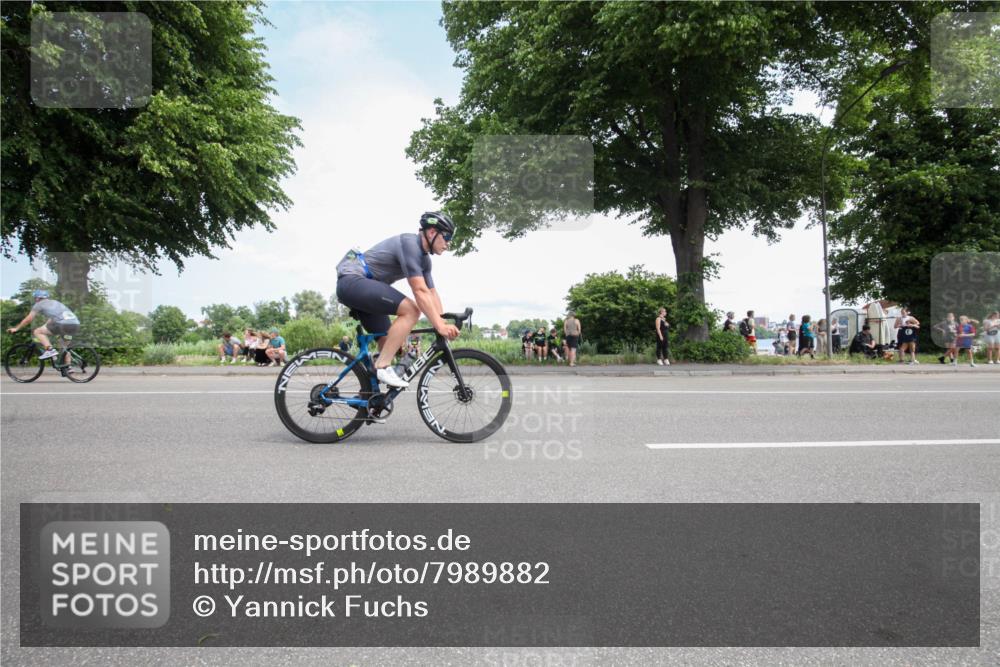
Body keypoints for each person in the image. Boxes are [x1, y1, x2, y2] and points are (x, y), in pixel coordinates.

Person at [334, 211, 459, 388]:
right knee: (412, 310)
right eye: (446, 237)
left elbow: (431, 293)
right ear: (432, 233)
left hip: (365, 291)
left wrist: (442, 322)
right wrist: (439, 325)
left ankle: (371, 399)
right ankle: (382, 366)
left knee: (394, 345)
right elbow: (420, 291)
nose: (448, 243)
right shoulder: (410, 244)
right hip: (352, 281)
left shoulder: (425, 261)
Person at [6, 290, 80, 363]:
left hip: (62, 324)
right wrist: (44, 326)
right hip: (75, 324)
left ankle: (50, 350)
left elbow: (29, 319)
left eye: (35, 298)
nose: (35, 300)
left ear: (38, 298)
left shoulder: (39, 304)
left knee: (37, 332)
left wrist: (17, 328)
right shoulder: (55, 302)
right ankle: (68, 368)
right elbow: (52, 318)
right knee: (63, 347)